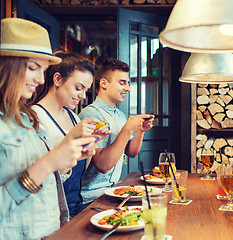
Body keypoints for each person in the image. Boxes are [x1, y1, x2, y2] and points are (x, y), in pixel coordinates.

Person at [0, 18, 97, 239]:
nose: (39, 79)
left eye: (42, 70)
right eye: (33, 68)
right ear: (6, 65)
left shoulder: (26, 117)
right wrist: (48, 162)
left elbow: (46, 185)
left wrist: (69, 160)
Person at [31, 52, 110, 218]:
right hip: (50, 213)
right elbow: (39, 180)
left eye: (86, 90)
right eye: (78, 88)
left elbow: (81, 168)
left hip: (75, 206)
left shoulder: (73, 116)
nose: (82, 96)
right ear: (58, 79)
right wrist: (72, 137)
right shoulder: (35, 117)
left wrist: (93, 140)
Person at [79, 57, 154, 204]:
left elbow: (131, 152)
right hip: (91, 198)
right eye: (122, 83)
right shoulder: (90, 115)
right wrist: (127, 129)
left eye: (127, 83)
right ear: (104, 83)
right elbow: (103, 165)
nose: (128, 88)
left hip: (114, 190)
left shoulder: (119, 115)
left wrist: (140, 130)